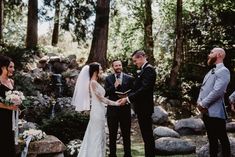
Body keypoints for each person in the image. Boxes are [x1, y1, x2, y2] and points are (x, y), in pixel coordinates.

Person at [71, 62, 122, 157]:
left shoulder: (94, 82)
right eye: (101, 69)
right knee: (97, 136)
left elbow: (102, 95)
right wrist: (115, 103)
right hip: (97, 112)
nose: (102, 71)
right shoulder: (93, 83)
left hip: (100, 111)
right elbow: (101, 98)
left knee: (98, 134)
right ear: (95, 71)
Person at [118, 50, 156, 157]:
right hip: (141, 108)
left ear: (141, 57)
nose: (135, 63)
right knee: (145, 135)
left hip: (145, 108)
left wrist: (128, 99)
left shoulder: (149, 70)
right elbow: (137, 88)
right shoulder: (144, 70)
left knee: (147, 135)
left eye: (135, 61)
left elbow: (144, 89)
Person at [197, 47, 231, 157]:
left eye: (212, 52)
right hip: (206, 111)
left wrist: (203, 103)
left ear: (219, 55)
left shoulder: (224, 71)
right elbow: (203, 89)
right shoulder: (211, 70)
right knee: (212, 140)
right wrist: (199, 103)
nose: (209, 54)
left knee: (222, 139)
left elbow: (217, 91)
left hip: (216, 112)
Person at [104, 60, 133, 157]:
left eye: (119, 65)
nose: (118, 67)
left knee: (126, 134)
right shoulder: (108, 78)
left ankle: (128, 154)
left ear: (122, 66)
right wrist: (114, 86)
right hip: (112, 110)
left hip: (125, 109)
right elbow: (105, 93)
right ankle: (112, 154)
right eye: (116, 66)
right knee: (112, 134)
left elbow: (133, 92)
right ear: (113, 67)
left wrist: (127, 98)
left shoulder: (129, 78)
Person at [0, 55, 18, 157]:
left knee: (9, 143)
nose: (13, 69)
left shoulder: (12, 81)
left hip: (11, 118)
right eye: (10, 67)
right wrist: (8, 107)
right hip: (1, 117)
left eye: (13, 67)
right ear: (3, 67)